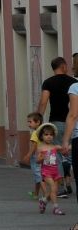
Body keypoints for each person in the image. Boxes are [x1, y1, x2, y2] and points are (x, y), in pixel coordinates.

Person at [37, 56, 76, 196]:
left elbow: (43, 102)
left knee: (57, 155)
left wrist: (39, 121)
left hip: (56, 122)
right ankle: (68, 182)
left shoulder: (48, 83)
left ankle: (60, 188)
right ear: (64, 66)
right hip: (74, 121)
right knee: (72, 153)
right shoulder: (73, 82)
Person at [35, 123, 66, 215]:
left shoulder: (55, 147)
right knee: (52, 187)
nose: (49, 137)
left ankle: (43, 201)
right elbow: (37, 160)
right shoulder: (40, 148)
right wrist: (42, 157)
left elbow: (65, 149)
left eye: (51, 135)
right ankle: (56, 208)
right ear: (42, 136)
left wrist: (66, 149)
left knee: (54, 191)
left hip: (55, 171)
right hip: (46, 171)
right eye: (46, 135)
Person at [22, 112, 45, 200]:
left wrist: (28, 155)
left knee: (38, 175)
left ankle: (45, 195)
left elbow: (34, 145)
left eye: (30, 122)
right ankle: (36, 193)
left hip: (36, 156)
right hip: (43, 156)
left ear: (38, 122)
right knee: (38, 175)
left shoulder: (35, 133)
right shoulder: (43, 132)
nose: (28, 124)